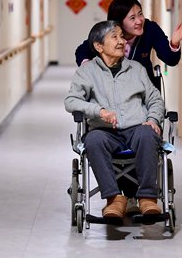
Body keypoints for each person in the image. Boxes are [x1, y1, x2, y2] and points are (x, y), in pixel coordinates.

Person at [65, 20, 165, 219]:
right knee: (92, 140)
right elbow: (71, 101)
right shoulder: (86, 72)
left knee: (148, 134)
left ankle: (147, 198)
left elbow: (155, 99)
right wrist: (99, 111)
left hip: (137, 128)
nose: (121, 41)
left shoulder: (136, 69)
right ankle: (114, 199)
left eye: (121, 36)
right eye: (115, 37)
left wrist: (153, 119)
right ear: (98, 46)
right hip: (105, 131)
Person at [75, 0, 182, 87]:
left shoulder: (150, 29)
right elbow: (82, 51)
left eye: (140, 14)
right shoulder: (107, 32)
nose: (139, 21)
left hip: (142, 89)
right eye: (132, 18)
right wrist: (91, 68)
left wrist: (174, 43)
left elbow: (171, 60)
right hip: (111, 89)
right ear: (119, 22)